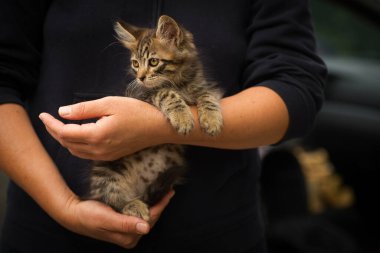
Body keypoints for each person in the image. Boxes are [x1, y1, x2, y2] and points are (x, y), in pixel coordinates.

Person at [0, 0, 326, 252]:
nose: (140, 75)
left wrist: (161, 126)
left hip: (217, 237)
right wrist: (66, 208)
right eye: (136, 66)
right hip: (48, 235)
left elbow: (296, 88)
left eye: (149, 64)